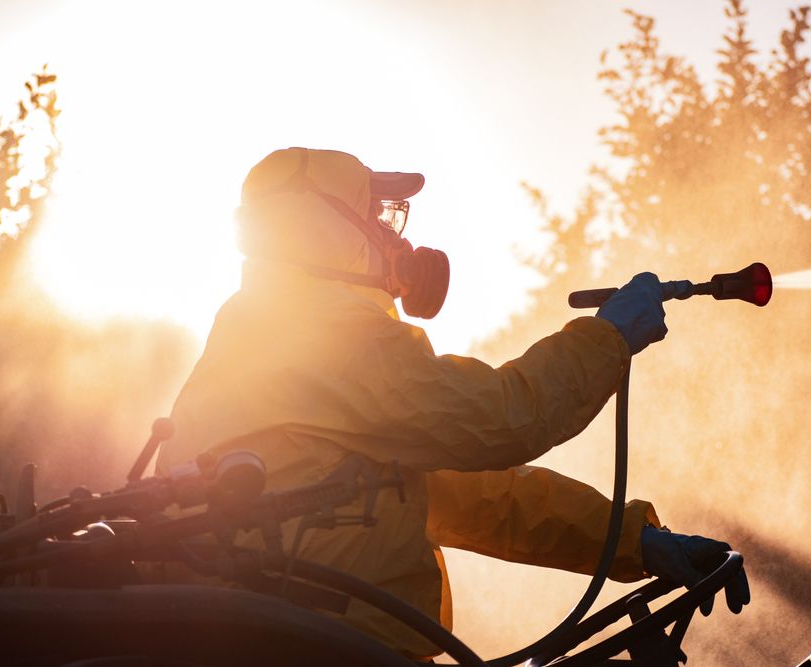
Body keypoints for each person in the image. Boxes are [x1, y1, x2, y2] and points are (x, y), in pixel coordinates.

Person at [156, 147, 749, 660]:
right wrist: (609, 338)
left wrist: (636, 542)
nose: (397, 234)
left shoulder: (273, 329)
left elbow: (470, 497)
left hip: (298, 639)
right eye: (379, 213)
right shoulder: (324, 337)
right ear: (321, 226)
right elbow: (502, 418)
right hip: (315, 647)